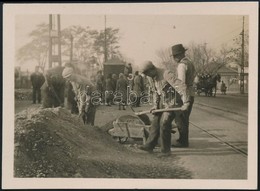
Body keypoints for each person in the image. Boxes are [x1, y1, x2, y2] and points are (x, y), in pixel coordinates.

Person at [138, 61, 185, 157]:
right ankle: (149, 145)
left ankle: (165, 150)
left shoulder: (166, 74)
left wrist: (186, 102)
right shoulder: (150, 77)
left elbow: (181, 86)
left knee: (164, 123)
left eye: (148, 73)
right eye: (146, 75)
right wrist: (155, 105)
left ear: (153, 69)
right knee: (155, 121)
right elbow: (155, 92)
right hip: (162, 102)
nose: (148, 76)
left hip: (172, 102)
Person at [165, 44, 196, 147]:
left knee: (180, 118)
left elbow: (181, 83)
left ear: (177, 56)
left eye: (174, 56)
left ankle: (183, 142)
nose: (174, 59)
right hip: (191, 93)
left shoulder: (182, 65)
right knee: (184, 118)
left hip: (184, 94)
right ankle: (183, 140)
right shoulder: (190, 63)